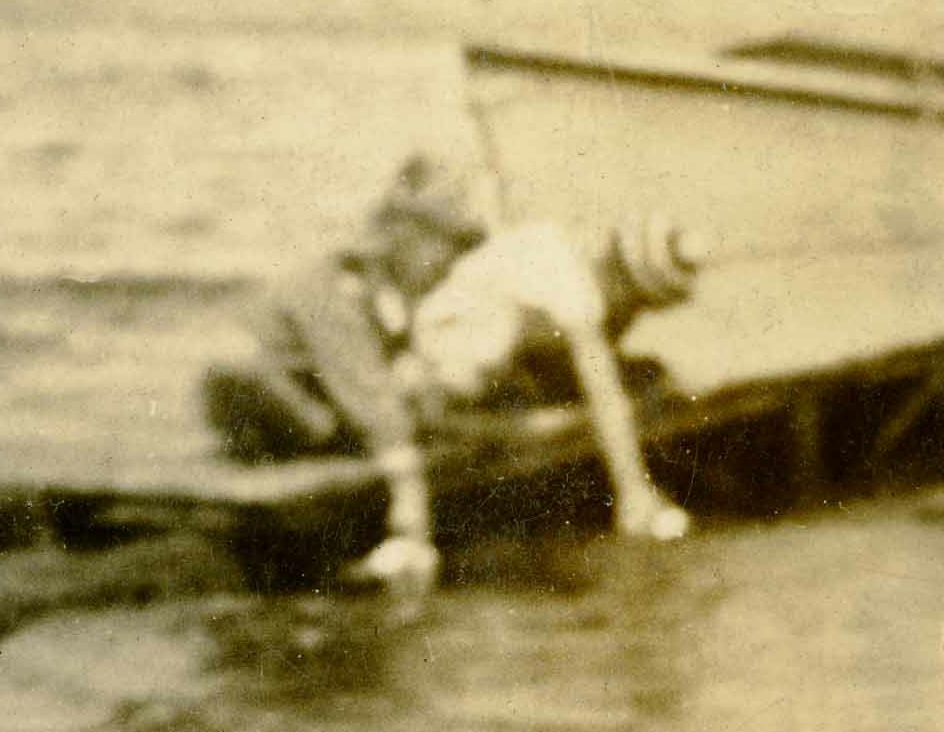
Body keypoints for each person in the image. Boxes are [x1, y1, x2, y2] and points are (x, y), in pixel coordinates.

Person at [201, 157, 701, 593]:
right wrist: (411, 516)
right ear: (405, 236)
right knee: (347, 419)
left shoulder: (388, 292)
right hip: (258, 395)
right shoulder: (336, 288)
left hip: (313, 393)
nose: (452, 263)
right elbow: (369, 393)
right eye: (446, 246)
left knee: (395, 403)